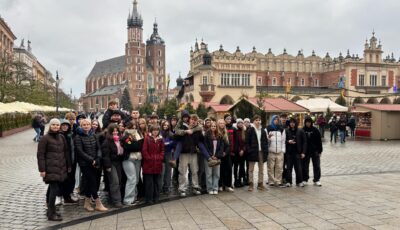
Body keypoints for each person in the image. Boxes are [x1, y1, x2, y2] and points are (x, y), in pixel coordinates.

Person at [37, 118, 71, 221]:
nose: (55, 126)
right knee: (54, 190)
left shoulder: (61, 137)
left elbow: (66, 152)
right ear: (50, 126)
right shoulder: (45, 138)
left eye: (57, 125)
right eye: (53, 125)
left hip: (60, 168)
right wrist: (42, 170)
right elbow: (40, 155)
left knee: (54, 190)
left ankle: (51, 211)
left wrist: (68, 165)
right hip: (50, 168)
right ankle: (51, 214)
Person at [74, 119, 108, 212]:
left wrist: (97, 158)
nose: (86, 126)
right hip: (85, 164)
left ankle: (87, 203)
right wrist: (91, 160)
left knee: (91, 182)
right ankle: (98, 203)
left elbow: (98, 148)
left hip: (95, 162)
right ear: (81, 126)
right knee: (92, 181)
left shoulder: (93, 134)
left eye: (88, 124)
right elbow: (80, 151)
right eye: (84, 125)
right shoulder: (78, 137)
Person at [177, 114, 203, 197]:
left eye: (195, 120)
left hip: (193, 153)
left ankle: (195, 187)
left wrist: (198, 130)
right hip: (183, 153)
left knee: (195, 171)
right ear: (189, 120)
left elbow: (201, 139)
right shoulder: (183, 127)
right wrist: (185, 131)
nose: (193, 121)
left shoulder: (198, 130)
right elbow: (176, 134)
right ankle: (182, 188)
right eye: (192, 119)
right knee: (182, 171)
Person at [101, 123, 124, 208]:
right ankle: (116, 201)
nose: (115, 132)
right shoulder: (107, 141)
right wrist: (108, 166)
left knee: (119, 181)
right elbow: (105, 156)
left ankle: (113, 198)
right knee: (115, 182)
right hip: (111, 163)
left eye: (116, 130)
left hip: (119, 162)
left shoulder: (120, 140)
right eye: (113, 131)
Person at [121, 121, 143, 205]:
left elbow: (139, 146)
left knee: (136, 179)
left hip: (138, 158)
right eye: (131, 127)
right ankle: (128, 200)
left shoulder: (139, 134)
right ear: (127, 128)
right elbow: (129, 146)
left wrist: (136, 145)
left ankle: (134, 197)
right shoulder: (125, 136)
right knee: (131, 178)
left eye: (135, 127)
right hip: (128, 159)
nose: (133, 129)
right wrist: (137, 145)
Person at [245, 115, 268, 191]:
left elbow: (265, 141)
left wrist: (265, 150)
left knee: (261, 169)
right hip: (253, 152)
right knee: (251, 169)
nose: (258, 121)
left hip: (261, 152)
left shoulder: (263, 130)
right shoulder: (250, 130)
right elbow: (247, 142)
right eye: (256, 120)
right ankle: (251, 184)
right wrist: (249, 150)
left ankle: (260, 184)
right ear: (253, 121)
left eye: (259, 120)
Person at [142, 125, 164, 204]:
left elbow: (162, 150)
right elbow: (144, 151)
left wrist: (160, 157)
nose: (155, 131)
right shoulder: (147, 139)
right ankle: (149, 198)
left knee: (157, 182)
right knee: (149, 183)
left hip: (157, 163)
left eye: (157, 130)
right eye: (154, 130)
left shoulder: (160, 139)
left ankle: (156, 197)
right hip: (149, 164)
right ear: (151, 131)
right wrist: (149, 158)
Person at [59, 119, 78, 205]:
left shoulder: (71, 135)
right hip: (64, 162)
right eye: (63, 125)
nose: (65, 127)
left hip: (72, 160)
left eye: (66, 125)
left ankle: (68, 196)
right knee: (64, 180)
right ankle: (63, 197)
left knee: (71, 179)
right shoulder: (59, 135)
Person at [203, 121, 224, 194]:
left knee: (216, 174)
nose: (213, 127)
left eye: (215, 126)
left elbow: (221, 147)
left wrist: (217, 156)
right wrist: (211, 155)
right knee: (209, 174)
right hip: (209, 157)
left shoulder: (220, 135)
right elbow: (205, 146)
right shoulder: (206, 135)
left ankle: (215, 188)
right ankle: (209, 189)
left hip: (217, 157)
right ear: (210, 127)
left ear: (216, 127)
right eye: (212, 126)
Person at [285, 117, 306, 187]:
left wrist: (303, 152)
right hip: (289, 153)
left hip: (298, 152)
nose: (292, 124)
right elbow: (283, 141)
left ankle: (299, 181)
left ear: (295, 123)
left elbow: (304, 142)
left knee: (298, 168)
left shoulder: (300, 131)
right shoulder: (286, 131)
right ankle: (288, 181)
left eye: (293, 122)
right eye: (291, 122)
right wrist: (288, 141)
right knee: (289, 168)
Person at [302, 116, 323, 186]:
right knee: (305, 166)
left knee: (316, 165)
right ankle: (305, 179)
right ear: (305, 123)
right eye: (307, 122)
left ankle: (316, 179)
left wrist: (320, 151)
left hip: (315, 151)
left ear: (311, 122)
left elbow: (319, 141)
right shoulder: (302, 130)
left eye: (309, 122)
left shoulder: (315, 130)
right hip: (306, 151)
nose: (308, 123)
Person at [266, 115, 286, 187]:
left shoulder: (281, 129)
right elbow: (266, 140)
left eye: (278, 119)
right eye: (275, 119)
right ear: (272, 120)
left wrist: (283, 150)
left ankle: (278, 180)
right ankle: (271, 181)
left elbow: (283, 141)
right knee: (270, 167)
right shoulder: (268, 128)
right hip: (271, 151)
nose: (276, 121)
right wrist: (268, 138)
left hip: (280, 151)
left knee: (279, 167)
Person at [160, 120, 174, 194]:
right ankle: (160, 187)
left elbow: (174, 142)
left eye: (167, 125)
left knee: (168, 171)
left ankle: (167, 187)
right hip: (161, 153)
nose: (165, 126)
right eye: (164, 125)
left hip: (168, 153)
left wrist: (169, 143)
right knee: (162, 171)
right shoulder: (159, 133)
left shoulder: (171, 134)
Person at [222, 114, 235, 192]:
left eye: (230, 119)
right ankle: (222, 184)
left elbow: (235, 140)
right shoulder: (222, 128)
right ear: (224, 120)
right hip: (222, 152)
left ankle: (228, 184)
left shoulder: (233, 128)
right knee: (222, 169)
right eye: (227, 119)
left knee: (229, 169)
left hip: (230, 152)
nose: (229, 120)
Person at [233, 119, 246, 188]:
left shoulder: (244, 131)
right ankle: (236, 180)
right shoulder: (235, 131)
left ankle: (241, 179)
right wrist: (239, 150)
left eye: (241, 123)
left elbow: (245, 143)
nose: (240, 124)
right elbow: (235, 142)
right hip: (236, 152)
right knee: (236, 167)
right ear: (237, 124)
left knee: (242, 167)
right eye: (239, 123)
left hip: (243, 153)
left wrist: (243, 150)